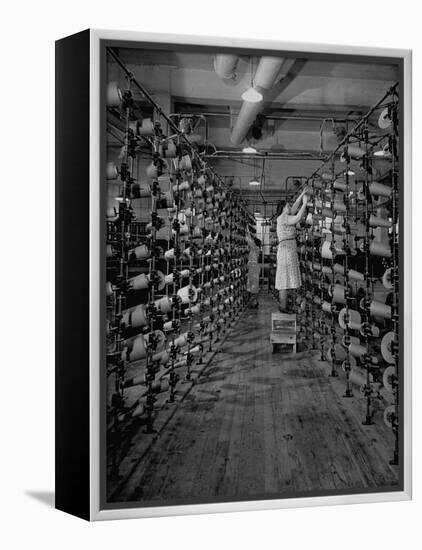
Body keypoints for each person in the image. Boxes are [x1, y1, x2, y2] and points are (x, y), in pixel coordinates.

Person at [275, 190, 308, 313]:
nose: (290, 207)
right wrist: (305, 203)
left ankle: (285, 305)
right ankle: (283, 307)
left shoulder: (285, 216)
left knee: (286, 279)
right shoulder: (283, 218)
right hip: (286, 251)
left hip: (288, 249)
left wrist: (301, 195)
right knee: (284, 280)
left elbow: (294, 207)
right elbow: (298, 217)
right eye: (287, 206)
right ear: (283, 208)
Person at [246, 230, 261, 308]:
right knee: (252, 285)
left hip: (254, 268)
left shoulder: (255, 248)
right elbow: (250, 241)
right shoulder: (254, 249)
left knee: (254, 287)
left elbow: (249, 241)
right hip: (253, 268)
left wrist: (247, 231)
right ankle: (254, 302)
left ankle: (254, 303)